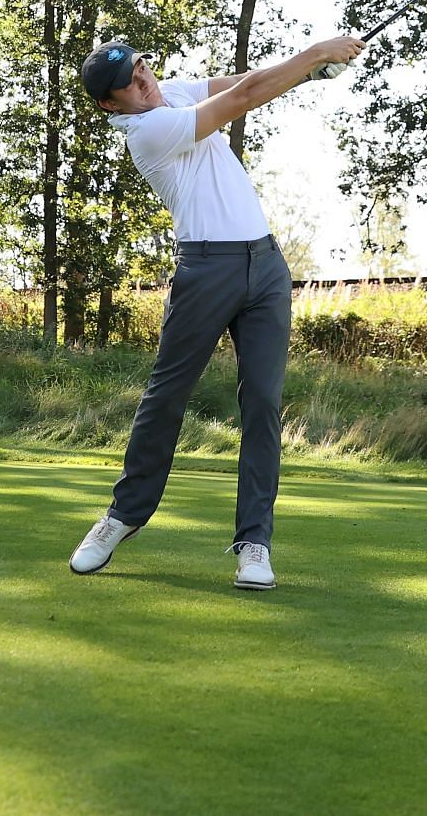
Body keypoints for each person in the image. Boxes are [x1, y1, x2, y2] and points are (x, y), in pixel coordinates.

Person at [67, 34, 363, 590]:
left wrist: (307, 76)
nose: (143, 80)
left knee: (264, 401)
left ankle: (254, 543)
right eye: (129, 82)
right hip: (206, 269)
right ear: (111, 104)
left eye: (141, 67)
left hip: (266, 264)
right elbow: (242, 97)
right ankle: (123, 516)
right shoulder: (146, 130)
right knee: (168, 394)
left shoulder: (165, 95)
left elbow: (233, 83)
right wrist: (317, 52)